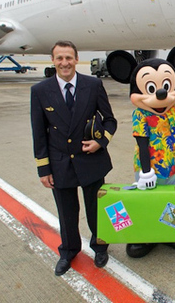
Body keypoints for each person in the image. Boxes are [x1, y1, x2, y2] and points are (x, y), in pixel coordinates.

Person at [30, 40, 117, 276]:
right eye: (60, 58)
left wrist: (101, 141)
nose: (64, 63)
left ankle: (100, 246)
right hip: (60, 162)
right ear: (53, 60)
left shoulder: (93, 84)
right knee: (66, 213)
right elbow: (38, 133)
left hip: (91, 160)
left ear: (76, 59)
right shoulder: (39, 91)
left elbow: (110, 120)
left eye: (69, 58)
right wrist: (43, 169)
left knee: (96, 209)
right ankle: (68, 251)